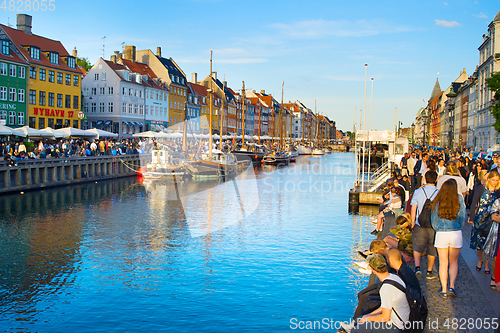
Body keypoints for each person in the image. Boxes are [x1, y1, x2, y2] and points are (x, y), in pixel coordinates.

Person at [347, 254, 410, 333]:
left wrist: (367, 319)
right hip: (403, 317)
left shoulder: (386, 289)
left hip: (396, 326)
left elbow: (385, 318)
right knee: (358, 319)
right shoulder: (394, 277)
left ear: (372, 269)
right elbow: (384, 307)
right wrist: (368, 316)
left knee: (356, 331)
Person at [430, 179, 466, 298]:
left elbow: (433, 221)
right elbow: (462, 218)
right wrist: (457, 226)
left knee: (443, 263)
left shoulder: (438, 201)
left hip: (441, 233)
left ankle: (444, 289)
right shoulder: (459, 200)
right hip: (455, 232)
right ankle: (452, 286)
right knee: (454, 262)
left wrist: (438, 229)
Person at [469, 170, 500, 275]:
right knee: (479, 241)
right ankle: (480, 260)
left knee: (490, 242)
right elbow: (474, 203)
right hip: (480, 218)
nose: (495, 182)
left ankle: (487, 263)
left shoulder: (498, 191)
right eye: (493, 180)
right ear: (489, 179)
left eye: (497, 180)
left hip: (492, 220)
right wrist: (472, 217)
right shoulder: (481, 189)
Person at [411, 170, 439, 280]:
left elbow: (413, 209)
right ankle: (429, 270)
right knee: (432, 246)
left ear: (425, 179)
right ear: (436, 180)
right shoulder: (439, 192)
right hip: (434, 224)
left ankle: (417, 267)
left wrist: (413, 223)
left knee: (417, 246)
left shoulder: (418, 192)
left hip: (420, 223)